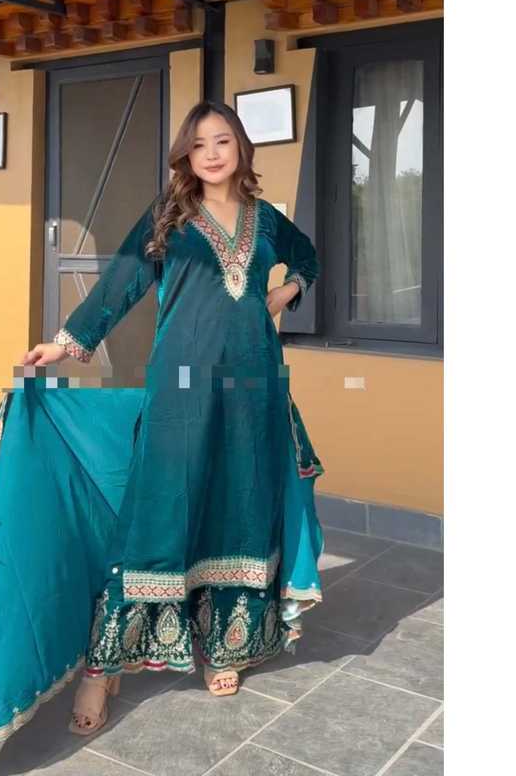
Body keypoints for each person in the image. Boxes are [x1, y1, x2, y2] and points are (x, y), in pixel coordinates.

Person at [20, 99, 324, 735]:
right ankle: (105, 665)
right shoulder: (170, 216)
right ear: (186, 154)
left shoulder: (267, 219)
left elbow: (308, 256)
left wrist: (287, 289)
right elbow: (121, 284)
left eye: (223, 141)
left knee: (240, 501)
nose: (212, 153)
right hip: (180, 386)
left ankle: (227, 642)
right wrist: (66, 343)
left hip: (251, 386)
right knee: (159, 508)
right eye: (200, 143)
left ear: (240, 148)